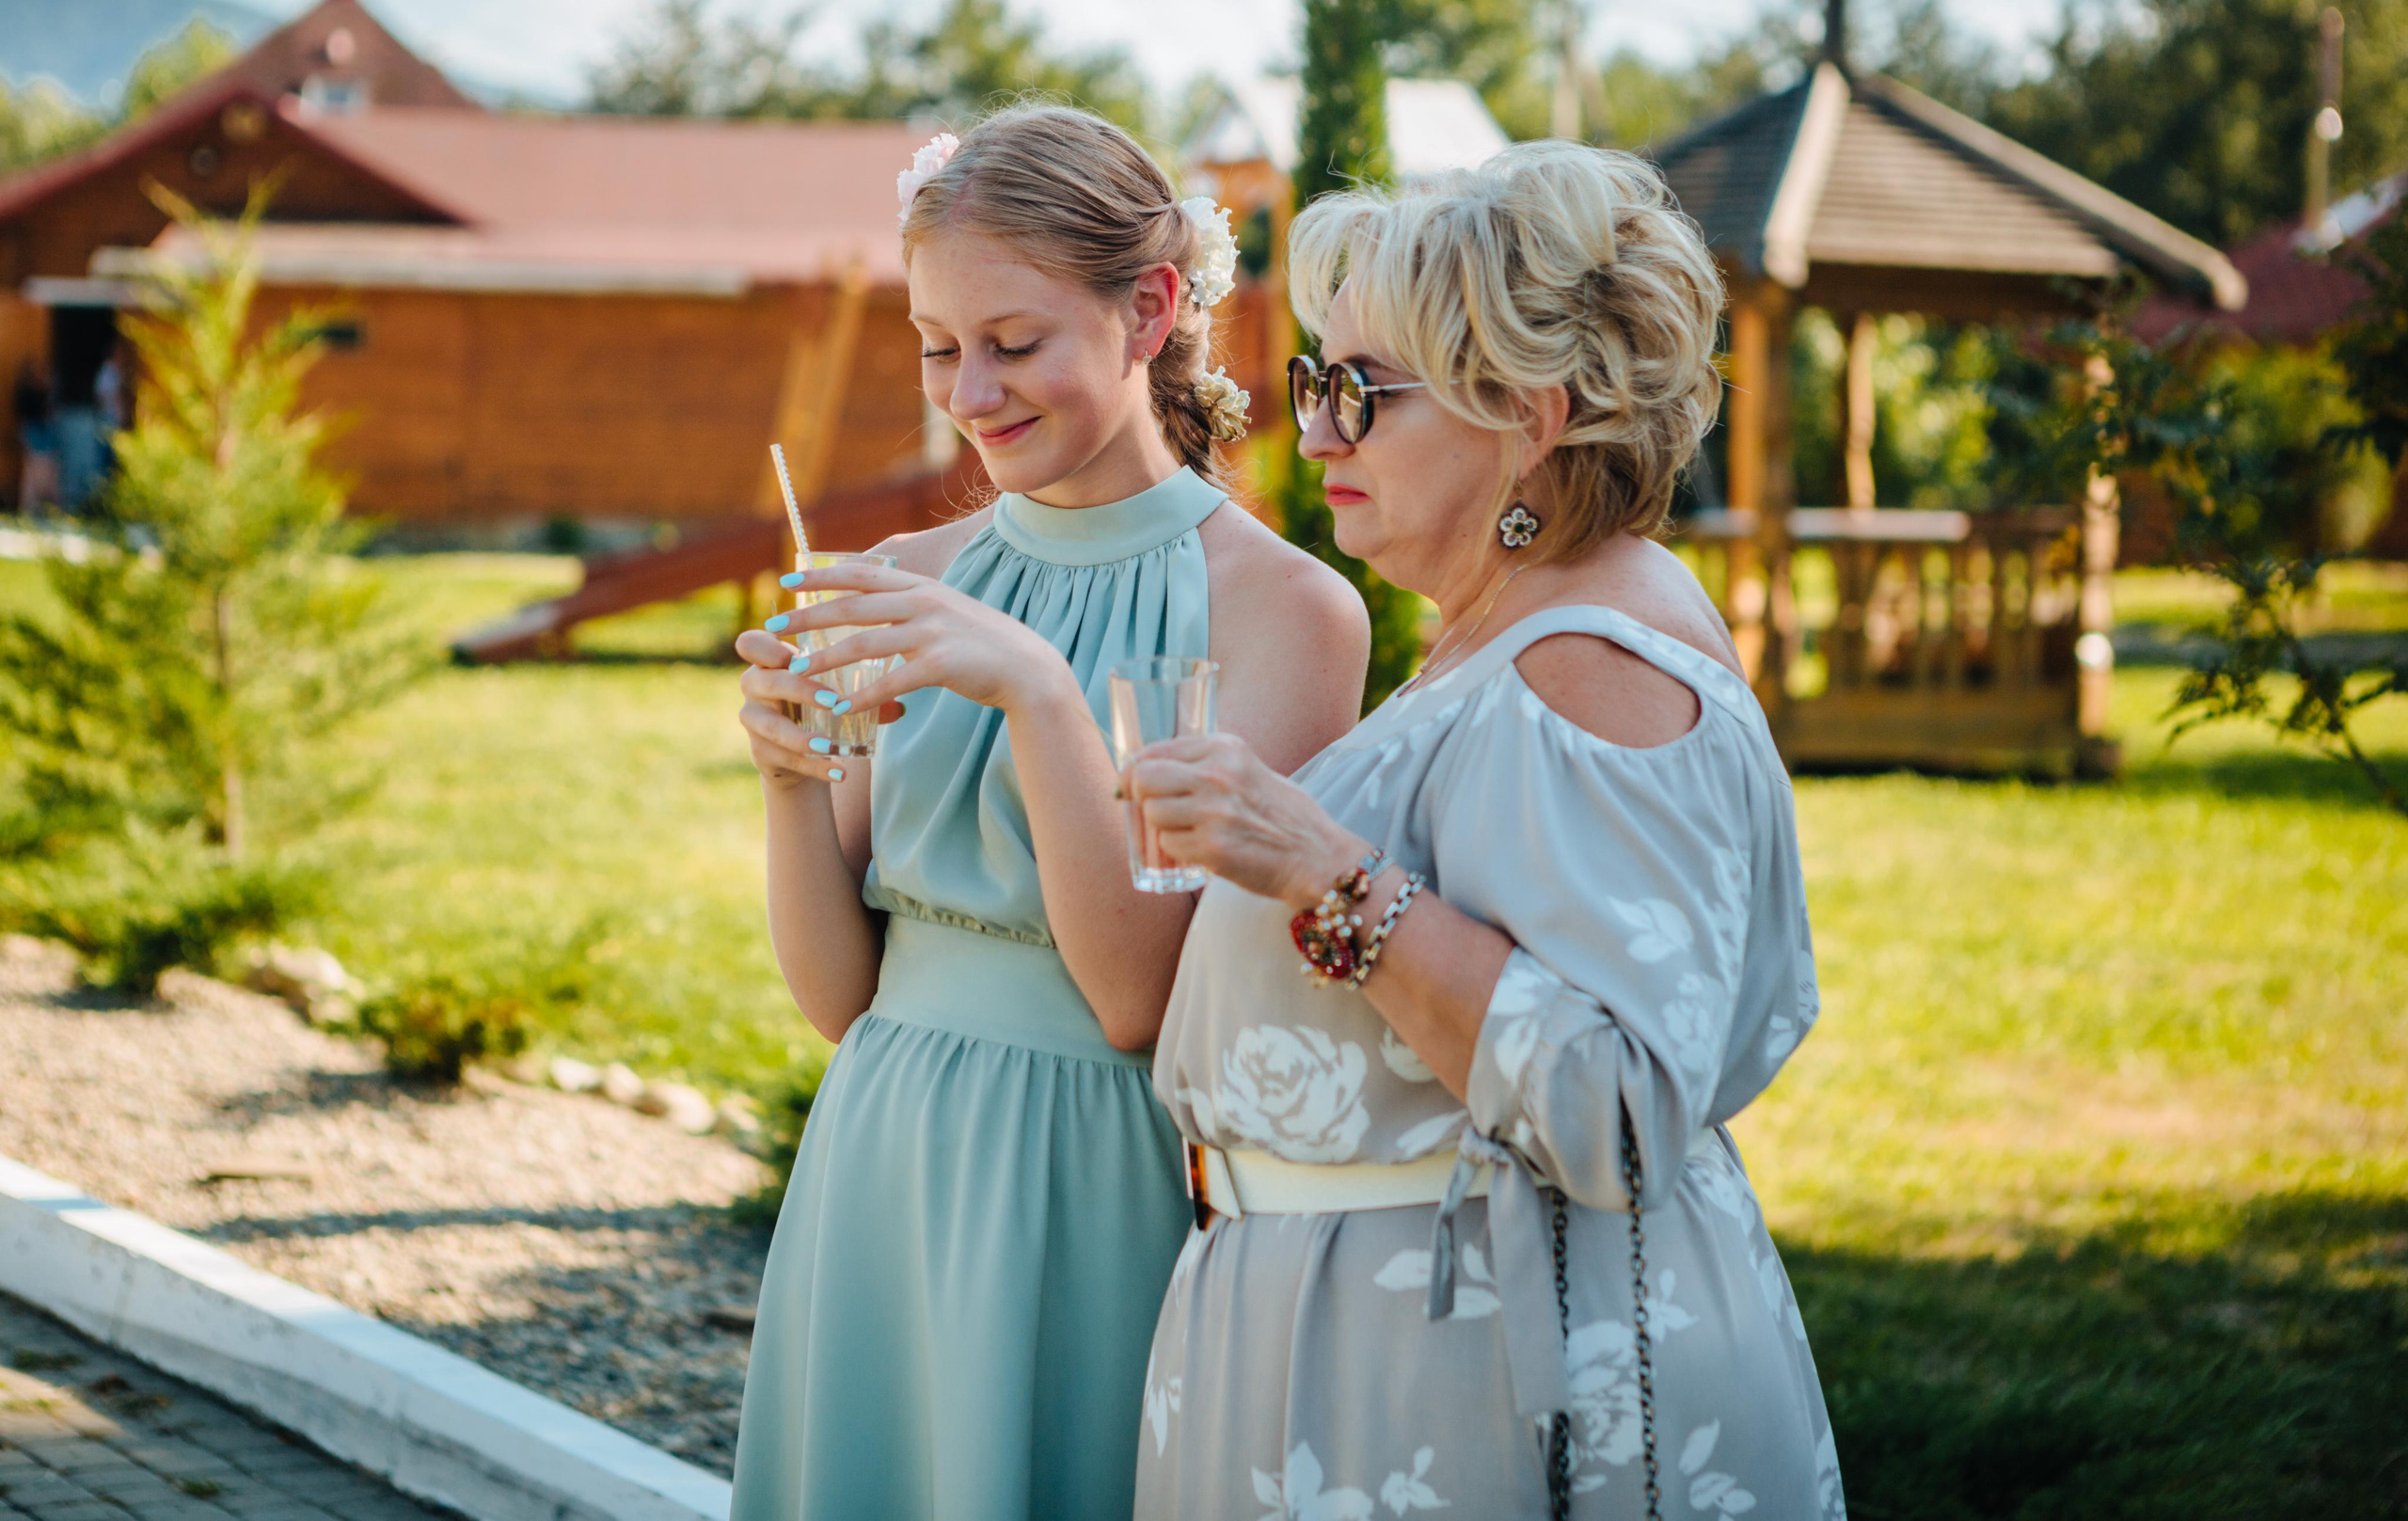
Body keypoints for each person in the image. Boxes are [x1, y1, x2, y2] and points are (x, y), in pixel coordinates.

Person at [1124, 143, 1843, 1520]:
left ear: (1526, 413)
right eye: (1312, 384)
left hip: (1481, 1393)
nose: (1318, 433)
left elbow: (1622, 1110)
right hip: (1384, 1359)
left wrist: (1324, 869)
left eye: (1361, 394)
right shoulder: (1507, 627)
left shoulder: (1593, 667)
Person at [725, 105, 1370, 1521]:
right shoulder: (899, 570)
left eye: (1014, 344)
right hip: (877, 1156)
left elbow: (1137, 995)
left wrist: (1038, 690)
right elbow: (841, 996)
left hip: (1091, 1184)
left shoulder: (1290, 615)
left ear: (1148, 311)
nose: (970, 391)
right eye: (938, 345)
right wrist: (784, 782)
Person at [12, 365, 57, 514]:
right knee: (32, 469)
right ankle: (31, 506)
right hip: (33, 432)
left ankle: (42, 504)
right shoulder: (27, 394)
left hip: (41, 432)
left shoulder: (43, 392)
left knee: (45, 468)